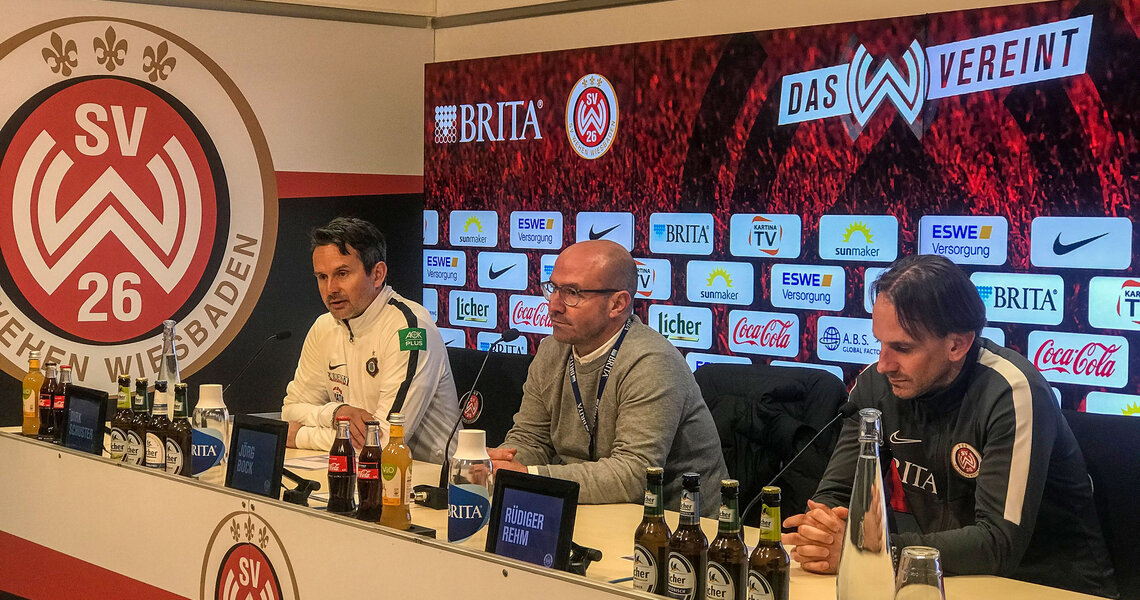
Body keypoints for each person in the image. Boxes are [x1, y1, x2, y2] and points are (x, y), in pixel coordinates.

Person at [782, 255, 1116, 597]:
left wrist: (872, 551)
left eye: (902, 348)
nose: (883, 364)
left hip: (1049, 585)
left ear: (957, 344)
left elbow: (998, 544)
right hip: (941, 579)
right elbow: (837, 495)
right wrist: (821, 533)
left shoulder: (1011, 392)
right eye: (880, 342)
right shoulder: (875, 387)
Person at [488, 240, 729, 517]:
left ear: (617, 304)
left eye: (572, 293)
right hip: (589, 510)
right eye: (553, 288)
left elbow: (634, 475)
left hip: (676, 525)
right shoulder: (552, 350)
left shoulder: (652, 361)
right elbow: (531, 439)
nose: (553, 306)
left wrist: (528, 475)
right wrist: (497, 466)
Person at [281, 217, 459, 463]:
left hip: (429, 477)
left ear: (377, 274)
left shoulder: (410, 329)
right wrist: (336, 413)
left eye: (342, 274)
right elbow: (290, 412)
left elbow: (383, 442)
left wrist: (300, 437)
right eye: (322, 277)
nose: (330, 289)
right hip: (358, 469)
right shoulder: (323, 327)